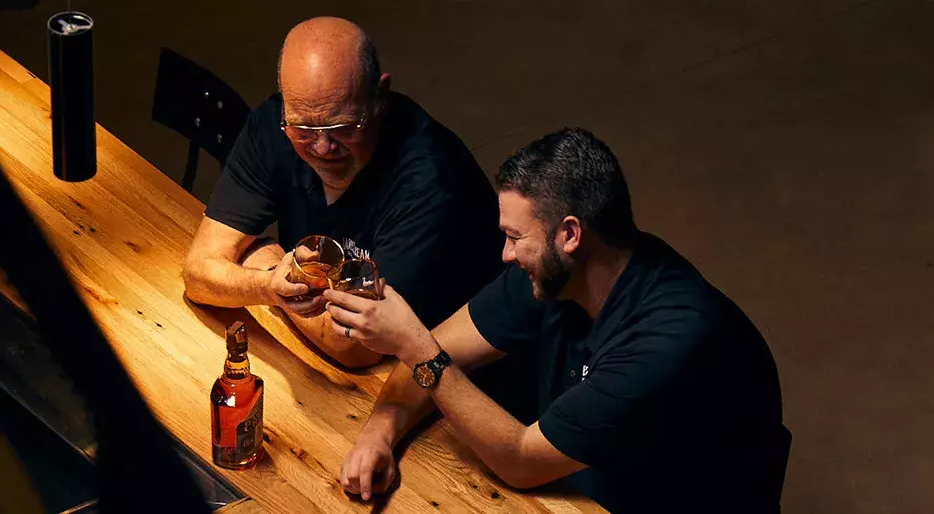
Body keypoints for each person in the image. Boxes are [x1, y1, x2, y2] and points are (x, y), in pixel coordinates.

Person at [324, 128, 788, 511]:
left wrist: (412, 344)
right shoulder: (550, 274)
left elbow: (521, 460)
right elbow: (438, 353)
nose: (505, 254)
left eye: (513, 237)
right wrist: (377, 436)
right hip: (578, 486)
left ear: (570, 234)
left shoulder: (670, 340)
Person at [181, 17, 499, 369]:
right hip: (329, 361)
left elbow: (354, 347)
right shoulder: (274, 126)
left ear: (379, 98)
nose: (322, 146)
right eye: (302, 128)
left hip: (448, 375)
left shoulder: (431, 181)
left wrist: (260, 256)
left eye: (342, 127)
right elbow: (198, 274)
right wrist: (270, 286)